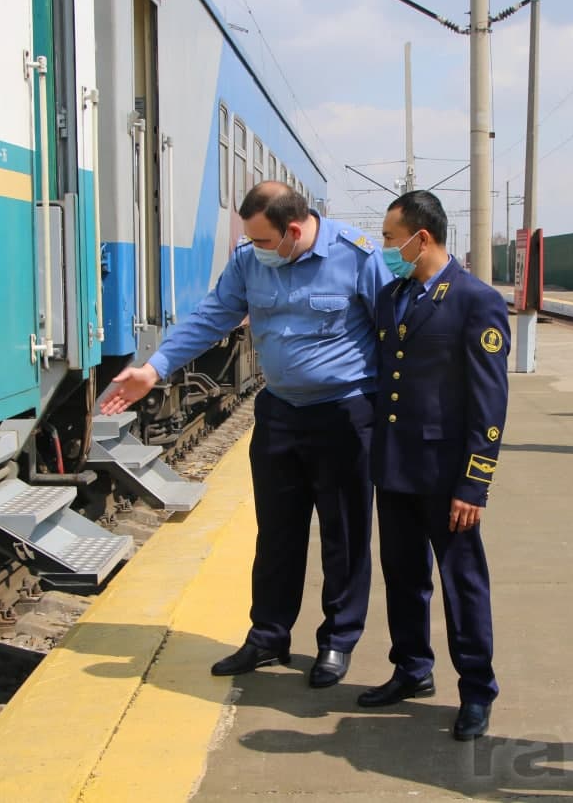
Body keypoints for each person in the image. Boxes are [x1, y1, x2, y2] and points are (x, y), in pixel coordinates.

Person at [99, 181, 393, 687]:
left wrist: (394, 414)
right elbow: (214, 315)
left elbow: (392, 332)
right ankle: (268, 636)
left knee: (344, 536)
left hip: (344, 417)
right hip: (280, 414)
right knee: (277, 533)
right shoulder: (248, 260)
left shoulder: (356, 256)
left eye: (262, 241)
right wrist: (156, 367)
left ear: (294, 230)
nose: (255, 251)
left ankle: (337, 641)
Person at [357, 190, 509, 743]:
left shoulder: (475, 300)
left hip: (448, 477)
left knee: (461, 583)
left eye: (392, 239)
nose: (387, 249)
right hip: (395, 468)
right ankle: (412, 668)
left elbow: (489, 401)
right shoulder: (392, 295)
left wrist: (475, 481)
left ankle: (476, 690)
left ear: (423, 238)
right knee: (402, 576)